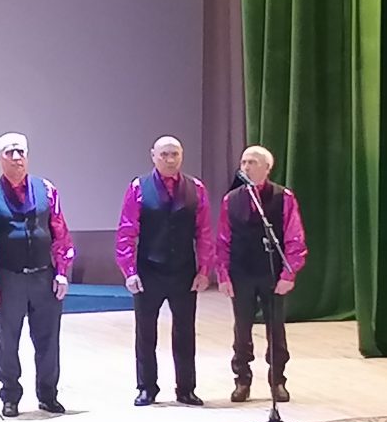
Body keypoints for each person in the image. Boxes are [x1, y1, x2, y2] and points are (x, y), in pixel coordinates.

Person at [0, 133, 74, 416]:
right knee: (8, 341)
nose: (16, 158)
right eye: (10, 152)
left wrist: (62, 272)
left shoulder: (47, 190)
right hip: (9, 278)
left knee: (48, 340)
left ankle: (48, 395)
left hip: (44, 277)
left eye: (21, 152)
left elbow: (60, 233)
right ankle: (10, 396)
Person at [115, 136, 214, 407]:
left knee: (185, 332)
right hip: (149, 270)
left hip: (184, 271)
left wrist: (204, 269)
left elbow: (204, 232)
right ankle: (147, 387)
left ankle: (186, 388)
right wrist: (129, 271)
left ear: (182, 155)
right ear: (153, 156)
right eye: (164, 155)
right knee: (146, 333)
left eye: (175, 154)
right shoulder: (138, 187)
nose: (170, 160)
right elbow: (126, 231)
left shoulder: (196, 188)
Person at [216, 145, 306, 401]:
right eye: (244, 162)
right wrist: (223, 275)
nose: (246, 167)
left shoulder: (283, 197)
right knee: (242, 328)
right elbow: (223, 240)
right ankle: (242, 380)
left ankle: (277, 380)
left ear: (267, 168)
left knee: (275, 328)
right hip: (241, 272)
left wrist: (289, 274)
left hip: (272, 272)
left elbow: (294, 237)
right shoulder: (231, 199)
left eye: (252, 162)